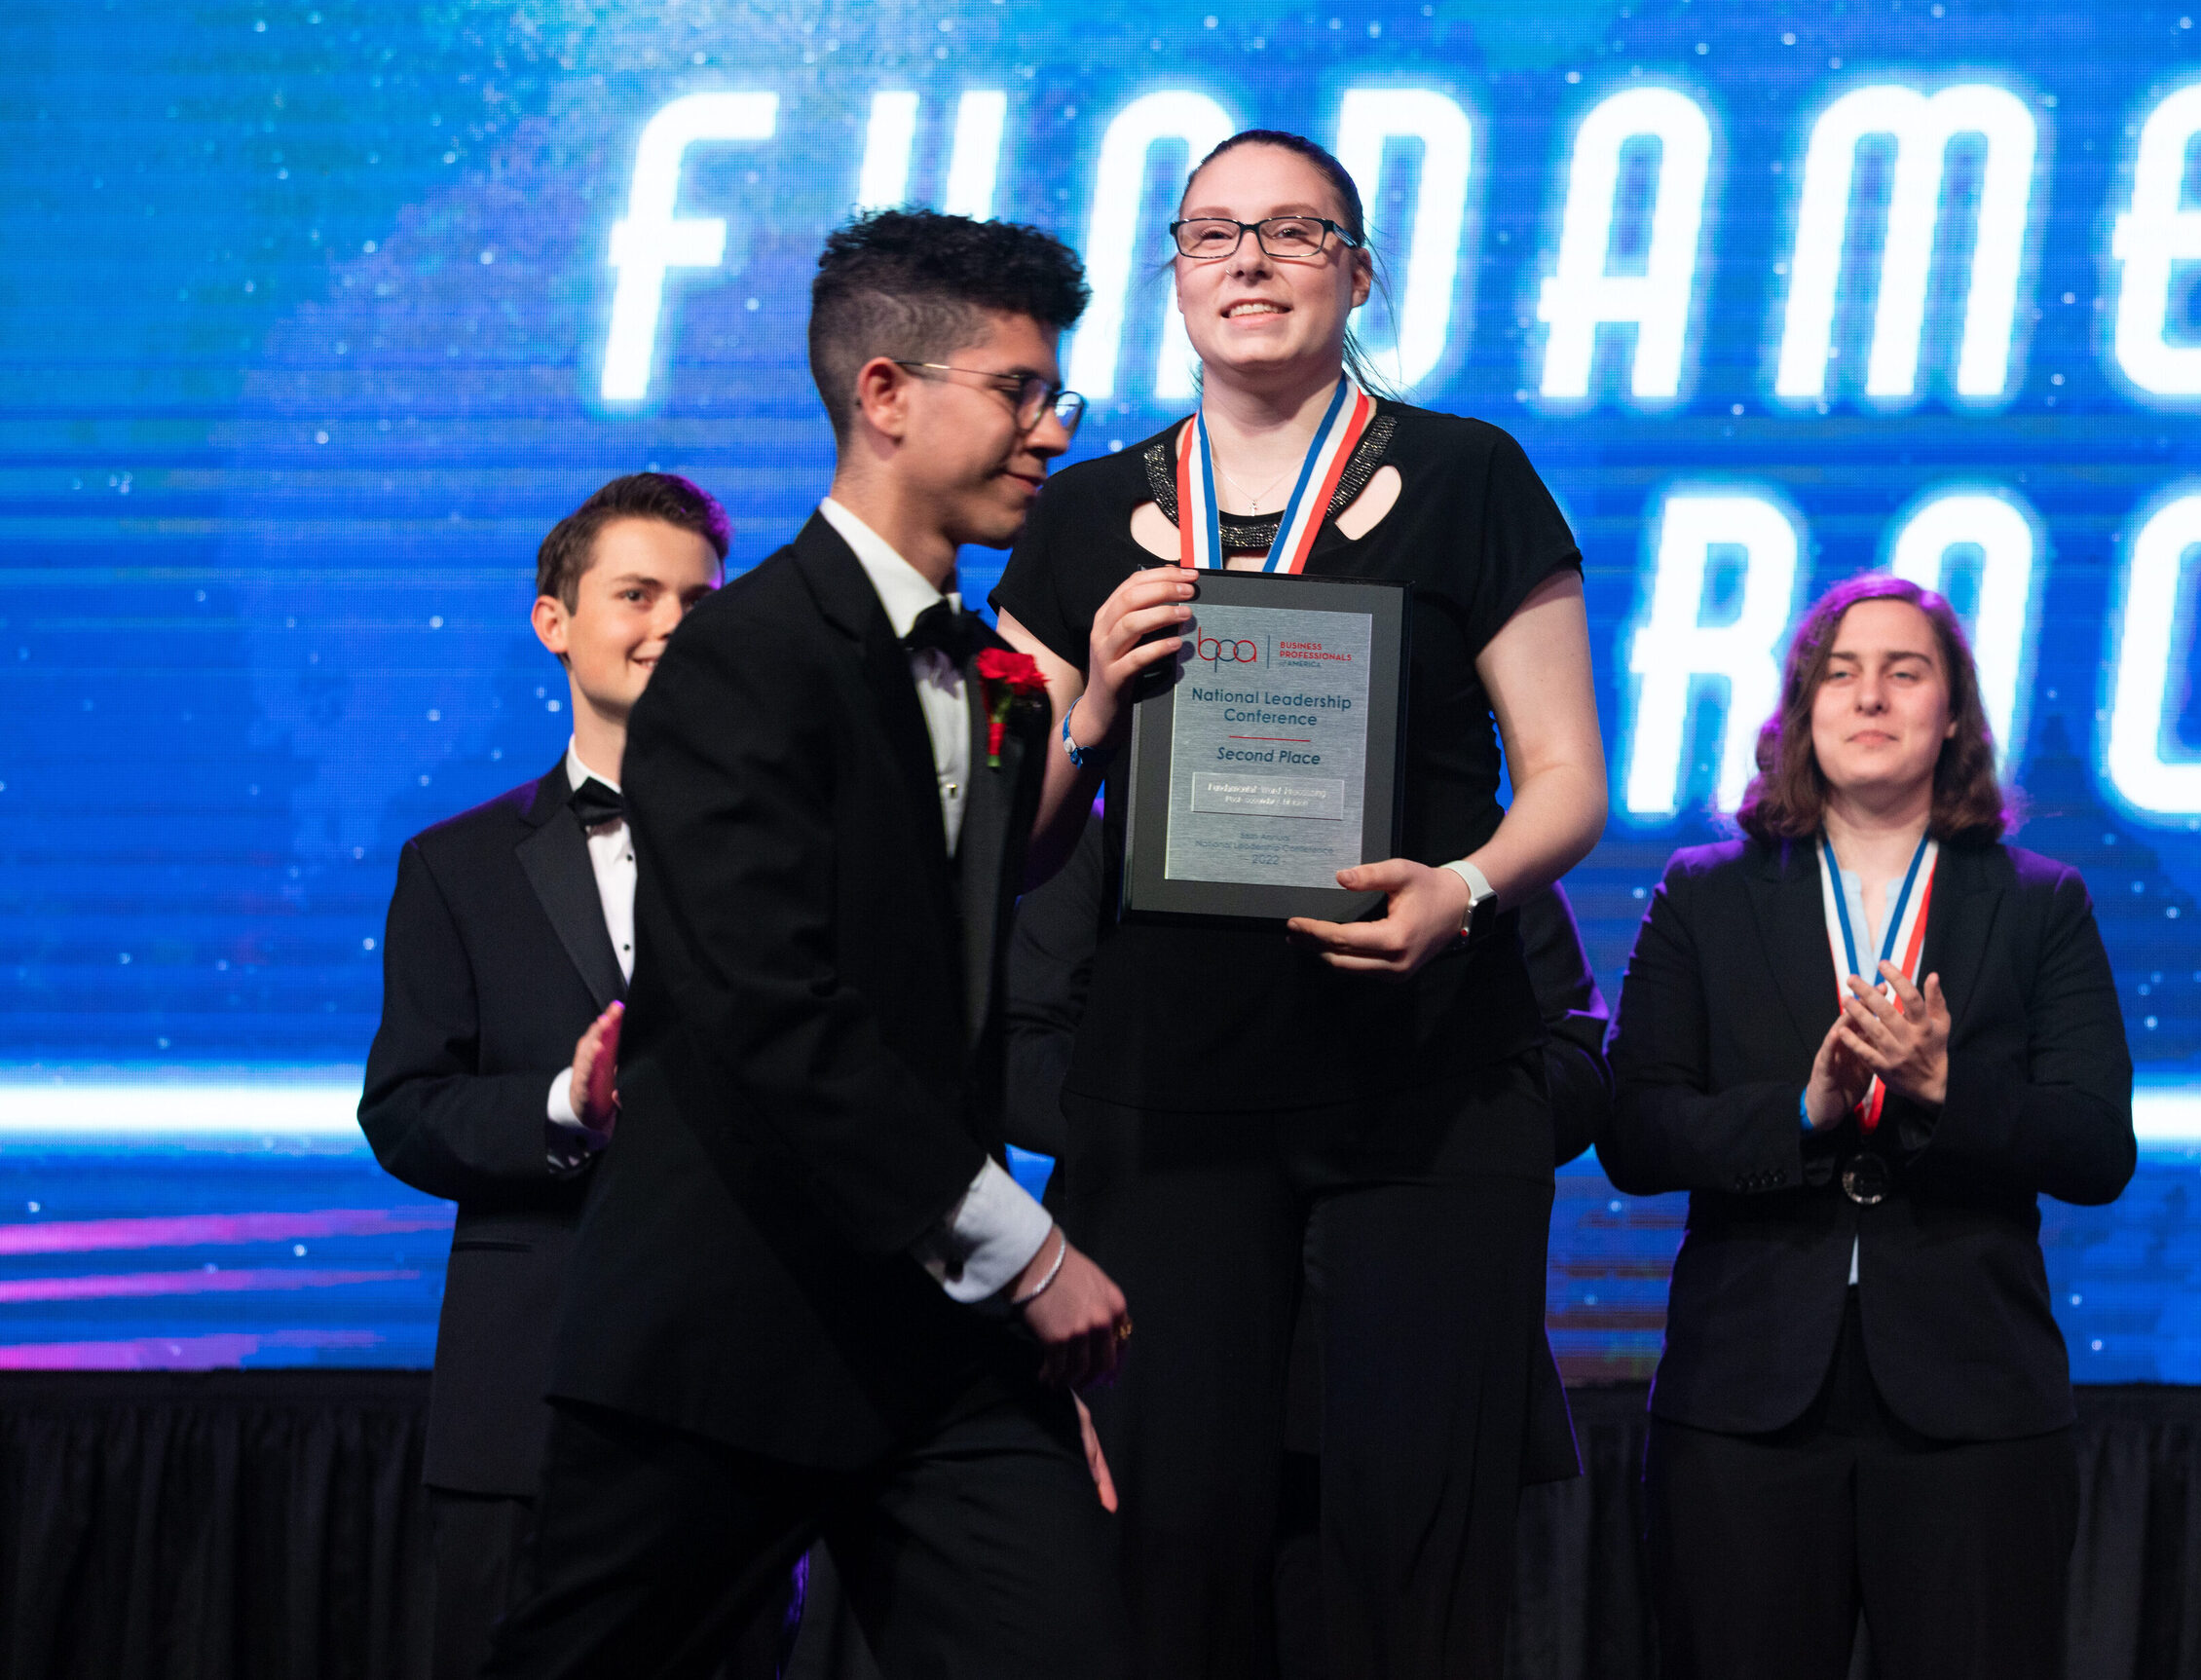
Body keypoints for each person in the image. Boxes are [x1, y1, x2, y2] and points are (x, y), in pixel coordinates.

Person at [989, 130, 1609, 1679]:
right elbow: (1016, 841)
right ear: (1173, 274)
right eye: (1211, 233)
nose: (1249, 261)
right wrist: (1089, 703)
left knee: (1416, 1557)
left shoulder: (1467, 475)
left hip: (1422, 1078)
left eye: (1292, 230)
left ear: (1360, 270)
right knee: (1168, 1552)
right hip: (1172, 1096)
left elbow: (1565, 780)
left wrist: (1461, 888)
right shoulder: (1081, 515)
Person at [480, 208, 1130, 1679]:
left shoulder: (994, 672)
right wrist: (1026, 1251)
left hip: (940, 1339)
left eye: (1057, 395)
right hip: (728, 1319)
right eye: (1018, 390)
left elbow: (949, 969)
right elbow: (766, 1002)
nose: (1050, 429)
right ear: (884, 394)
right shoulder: (737, 655)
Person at [1598, 572, 2138, 1680]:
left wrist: (1944, 1088)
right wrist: (1803, 1113)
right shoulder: (1704, 892)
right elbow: (1635, 1132)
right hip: (1744, 1404)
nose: (1871, 696)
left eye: (1904, 672)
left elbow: (2096, 1148)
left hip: (1973, 1408)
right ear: (1801, 712)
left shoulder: (2040, 900)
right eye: (1839, 674)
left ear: (1954, 715)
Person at [994, 811, 1612, 1680]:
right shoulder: (1128, 818)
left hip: (1404, 1358)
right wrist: (1191, 1120)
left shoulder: (1461, 828)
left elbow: (1579, 1055)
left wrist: (1430, 1128)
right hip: (1170, 1351)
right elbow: (1015, 1047)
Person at [359, 471, 749, 1680]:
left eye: (697, 601)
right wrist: (562, 1108)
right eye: (637, 594)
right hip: (524, 1401)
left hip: (735, 1398)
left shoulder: (787, 854)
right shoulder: (458, 866)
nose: (670, 624)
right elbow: (404, 1110)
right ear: (554, 621)